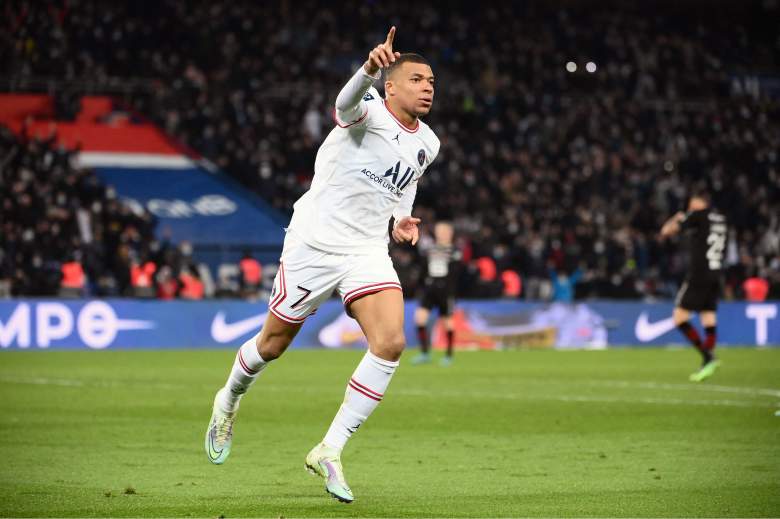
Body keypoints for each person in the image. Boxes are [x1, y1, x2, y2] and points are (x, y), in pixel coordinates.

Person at [205, 27, 439, 504]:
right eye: (416, 78)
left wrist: (401, 219)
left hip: (366, 251)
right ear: (391, 85)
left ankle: (329, 449)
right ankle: (227, 399)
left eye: (432, 80)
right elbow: (342, 104)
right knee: (271, 345)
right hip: (314, 243)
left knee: (391, 341)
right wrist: (368, 68)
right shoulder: (367, 107)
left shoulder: (428, 143)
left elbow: (406, 181)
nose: (428, 86)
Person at [660, 191, 727, 382]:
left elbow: (666, 232)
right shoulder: (721, 219)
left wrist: (678, 218)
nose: (689, 208)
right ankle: (709, 359)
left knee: (679, 318)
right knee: (708, 318)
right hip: (716, 274)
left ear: (699, 202)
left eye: (691, 204)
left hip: (698, 275)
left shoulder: (698, 215)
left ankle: (707, 356)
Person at [411, 221, 461, 366]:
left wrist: (452, 292)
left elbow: (456, 273)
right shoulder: (430, 250)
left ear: (450, 233)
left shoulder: (455, 251)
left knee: (448, 323)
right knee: (419, 319)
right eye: (439, 230)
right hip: (430, 289)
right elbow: (423, 270)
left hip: (446, 291)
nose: (441, 233)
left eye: (444, 231)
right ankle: (425, 353)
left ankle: (449, 355)